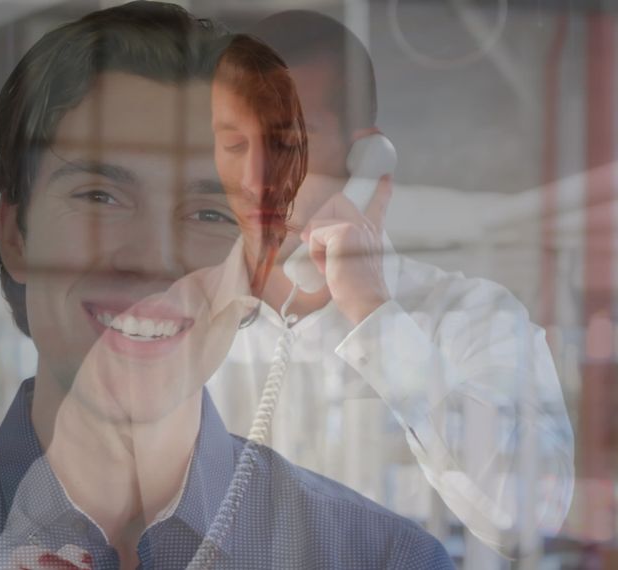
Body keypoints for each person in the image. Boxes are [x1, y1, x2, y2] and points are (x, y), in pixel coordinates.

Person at [0, 3, 453, 568]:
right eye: (101, 196)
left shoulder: (382, 557)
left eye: (212, 212)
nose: (154, 263)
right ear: (16, 234)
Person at [206, 9, 575, 557]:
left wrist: (376, 316)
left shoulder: (475, 317)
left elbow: (532, 515)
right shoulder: (185, 326)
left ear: (365, 158)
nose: (256, 180)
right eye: (234, 146)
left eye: (287, 143)